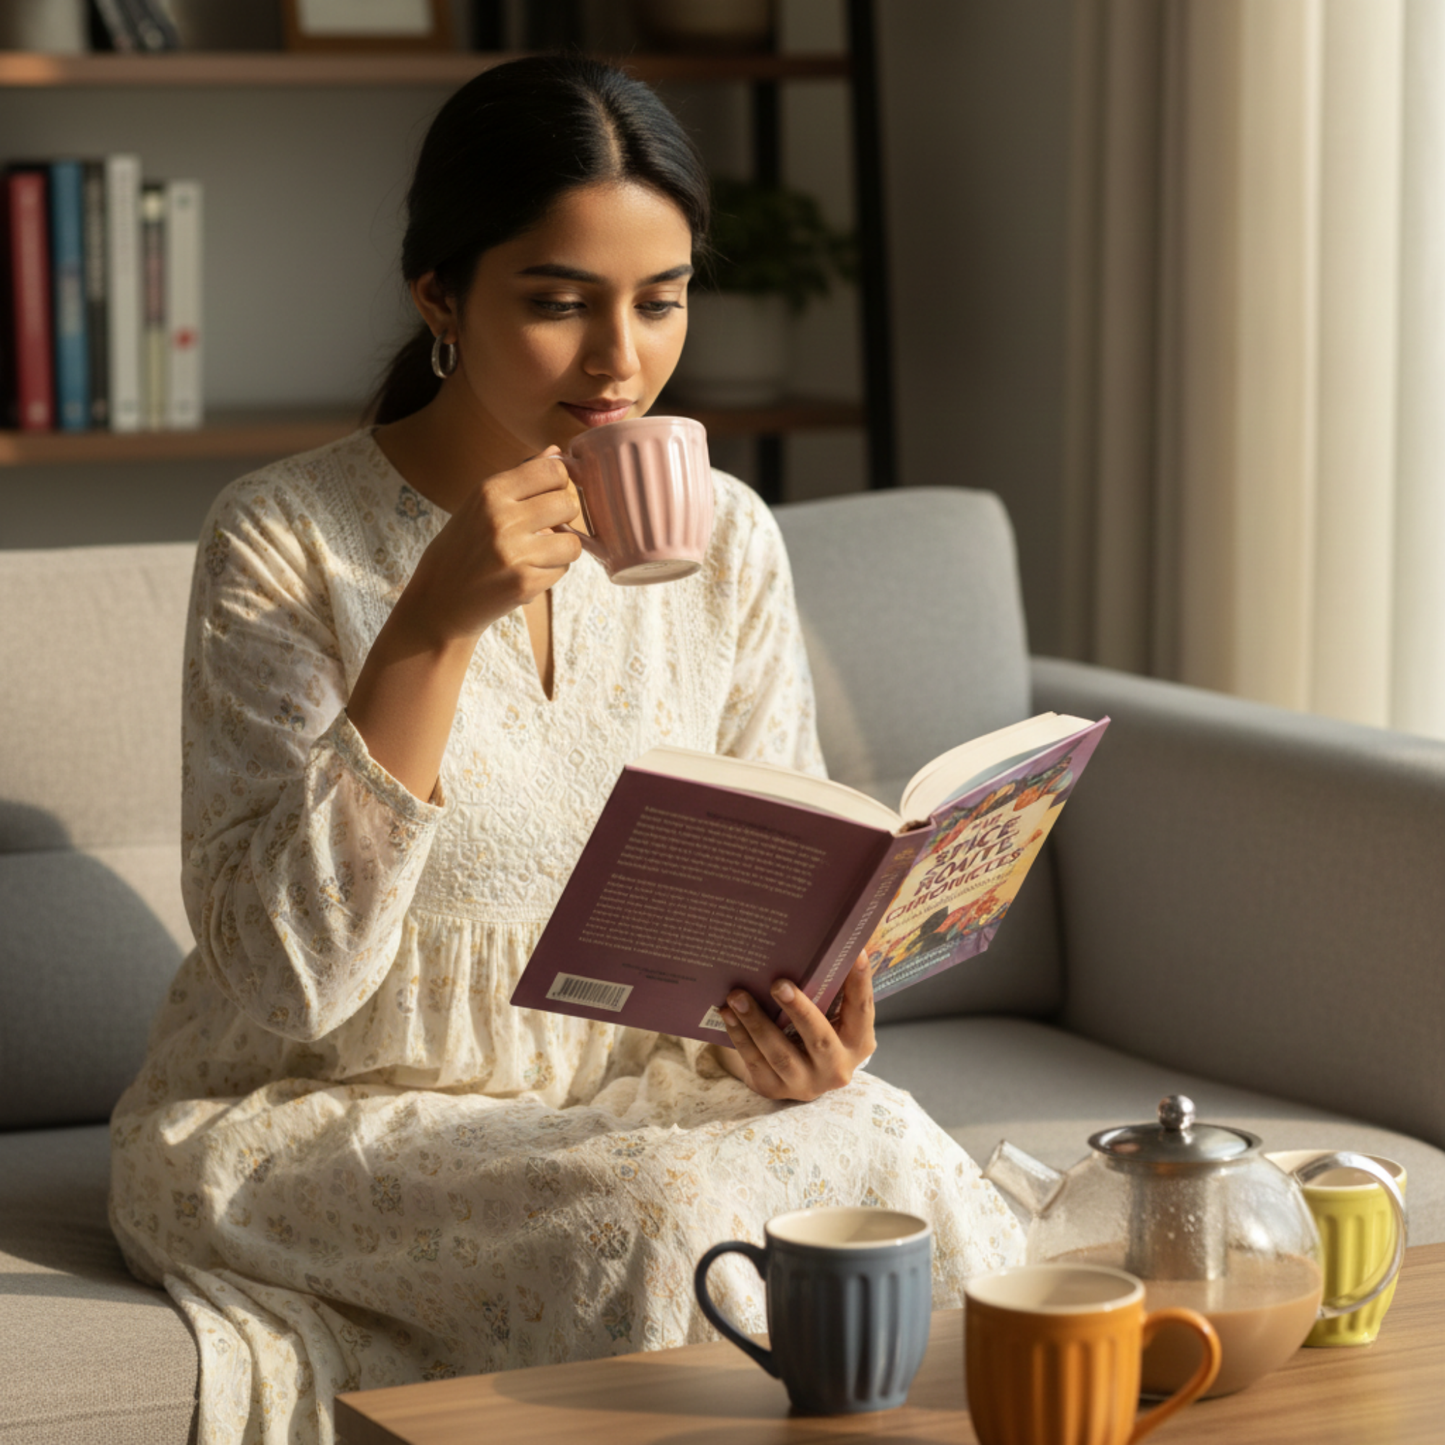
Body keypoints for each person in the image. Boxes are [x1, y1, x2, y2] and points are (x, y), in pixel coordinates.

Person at [109, 55, 1023, 1445]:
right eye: (558, 303)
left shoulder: (729, 542)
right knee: (653, 1219)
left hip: (627, 1100)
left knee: (883, 1139)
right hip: (301, 1118)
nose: (620, 363)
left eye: (659, 302)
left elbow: (771, 897)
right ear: (440, 300)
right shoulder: (282, 542)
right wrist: (428, 627)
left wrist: (799, 1035)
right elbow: (286, 983)